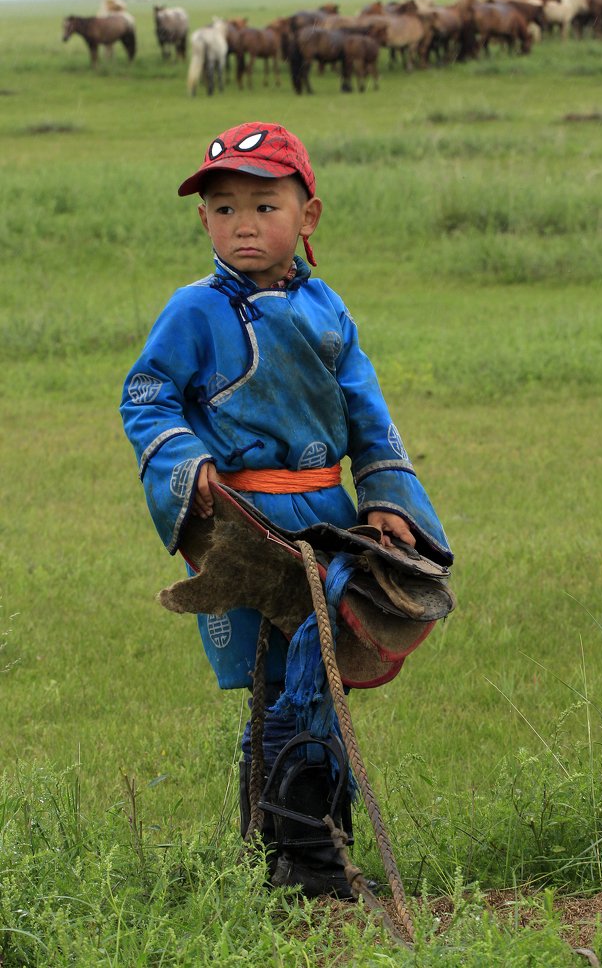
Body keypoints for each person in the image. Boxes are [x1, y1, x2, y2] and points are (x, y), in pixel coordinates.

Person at [120, 120, 453, 897]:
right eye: (225, 208)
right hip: (241, 529)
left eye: (265, 206)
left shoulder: (329, 310)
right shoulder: (193, 310)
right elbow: (147, 395)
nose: (244, 224)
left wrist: (388, 500)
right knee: (275, 684)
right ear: (203, 219)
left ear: (307, 217)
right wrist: (186, 461)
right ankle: (299, 867)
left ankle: (305, 855)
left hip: (329, 522)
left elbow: (367, 414)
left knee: (322, 681)